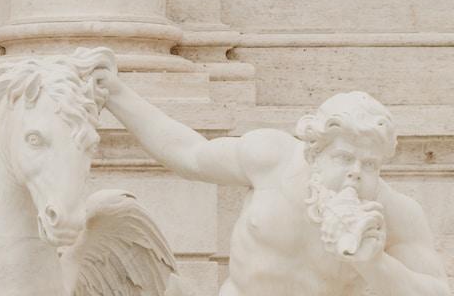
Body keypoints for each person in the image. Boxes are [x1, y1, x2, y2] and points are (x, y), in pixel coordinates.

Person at [102, 80, 446, 296]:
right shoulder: (271, 158)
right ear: (316, 153)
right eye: (344, 158)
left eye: (369, 164)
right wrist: (116, 93)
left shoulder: (397, 213)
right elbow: (187, 154)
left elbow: (437, 292)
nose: (355, 173)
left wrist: (374, 263)